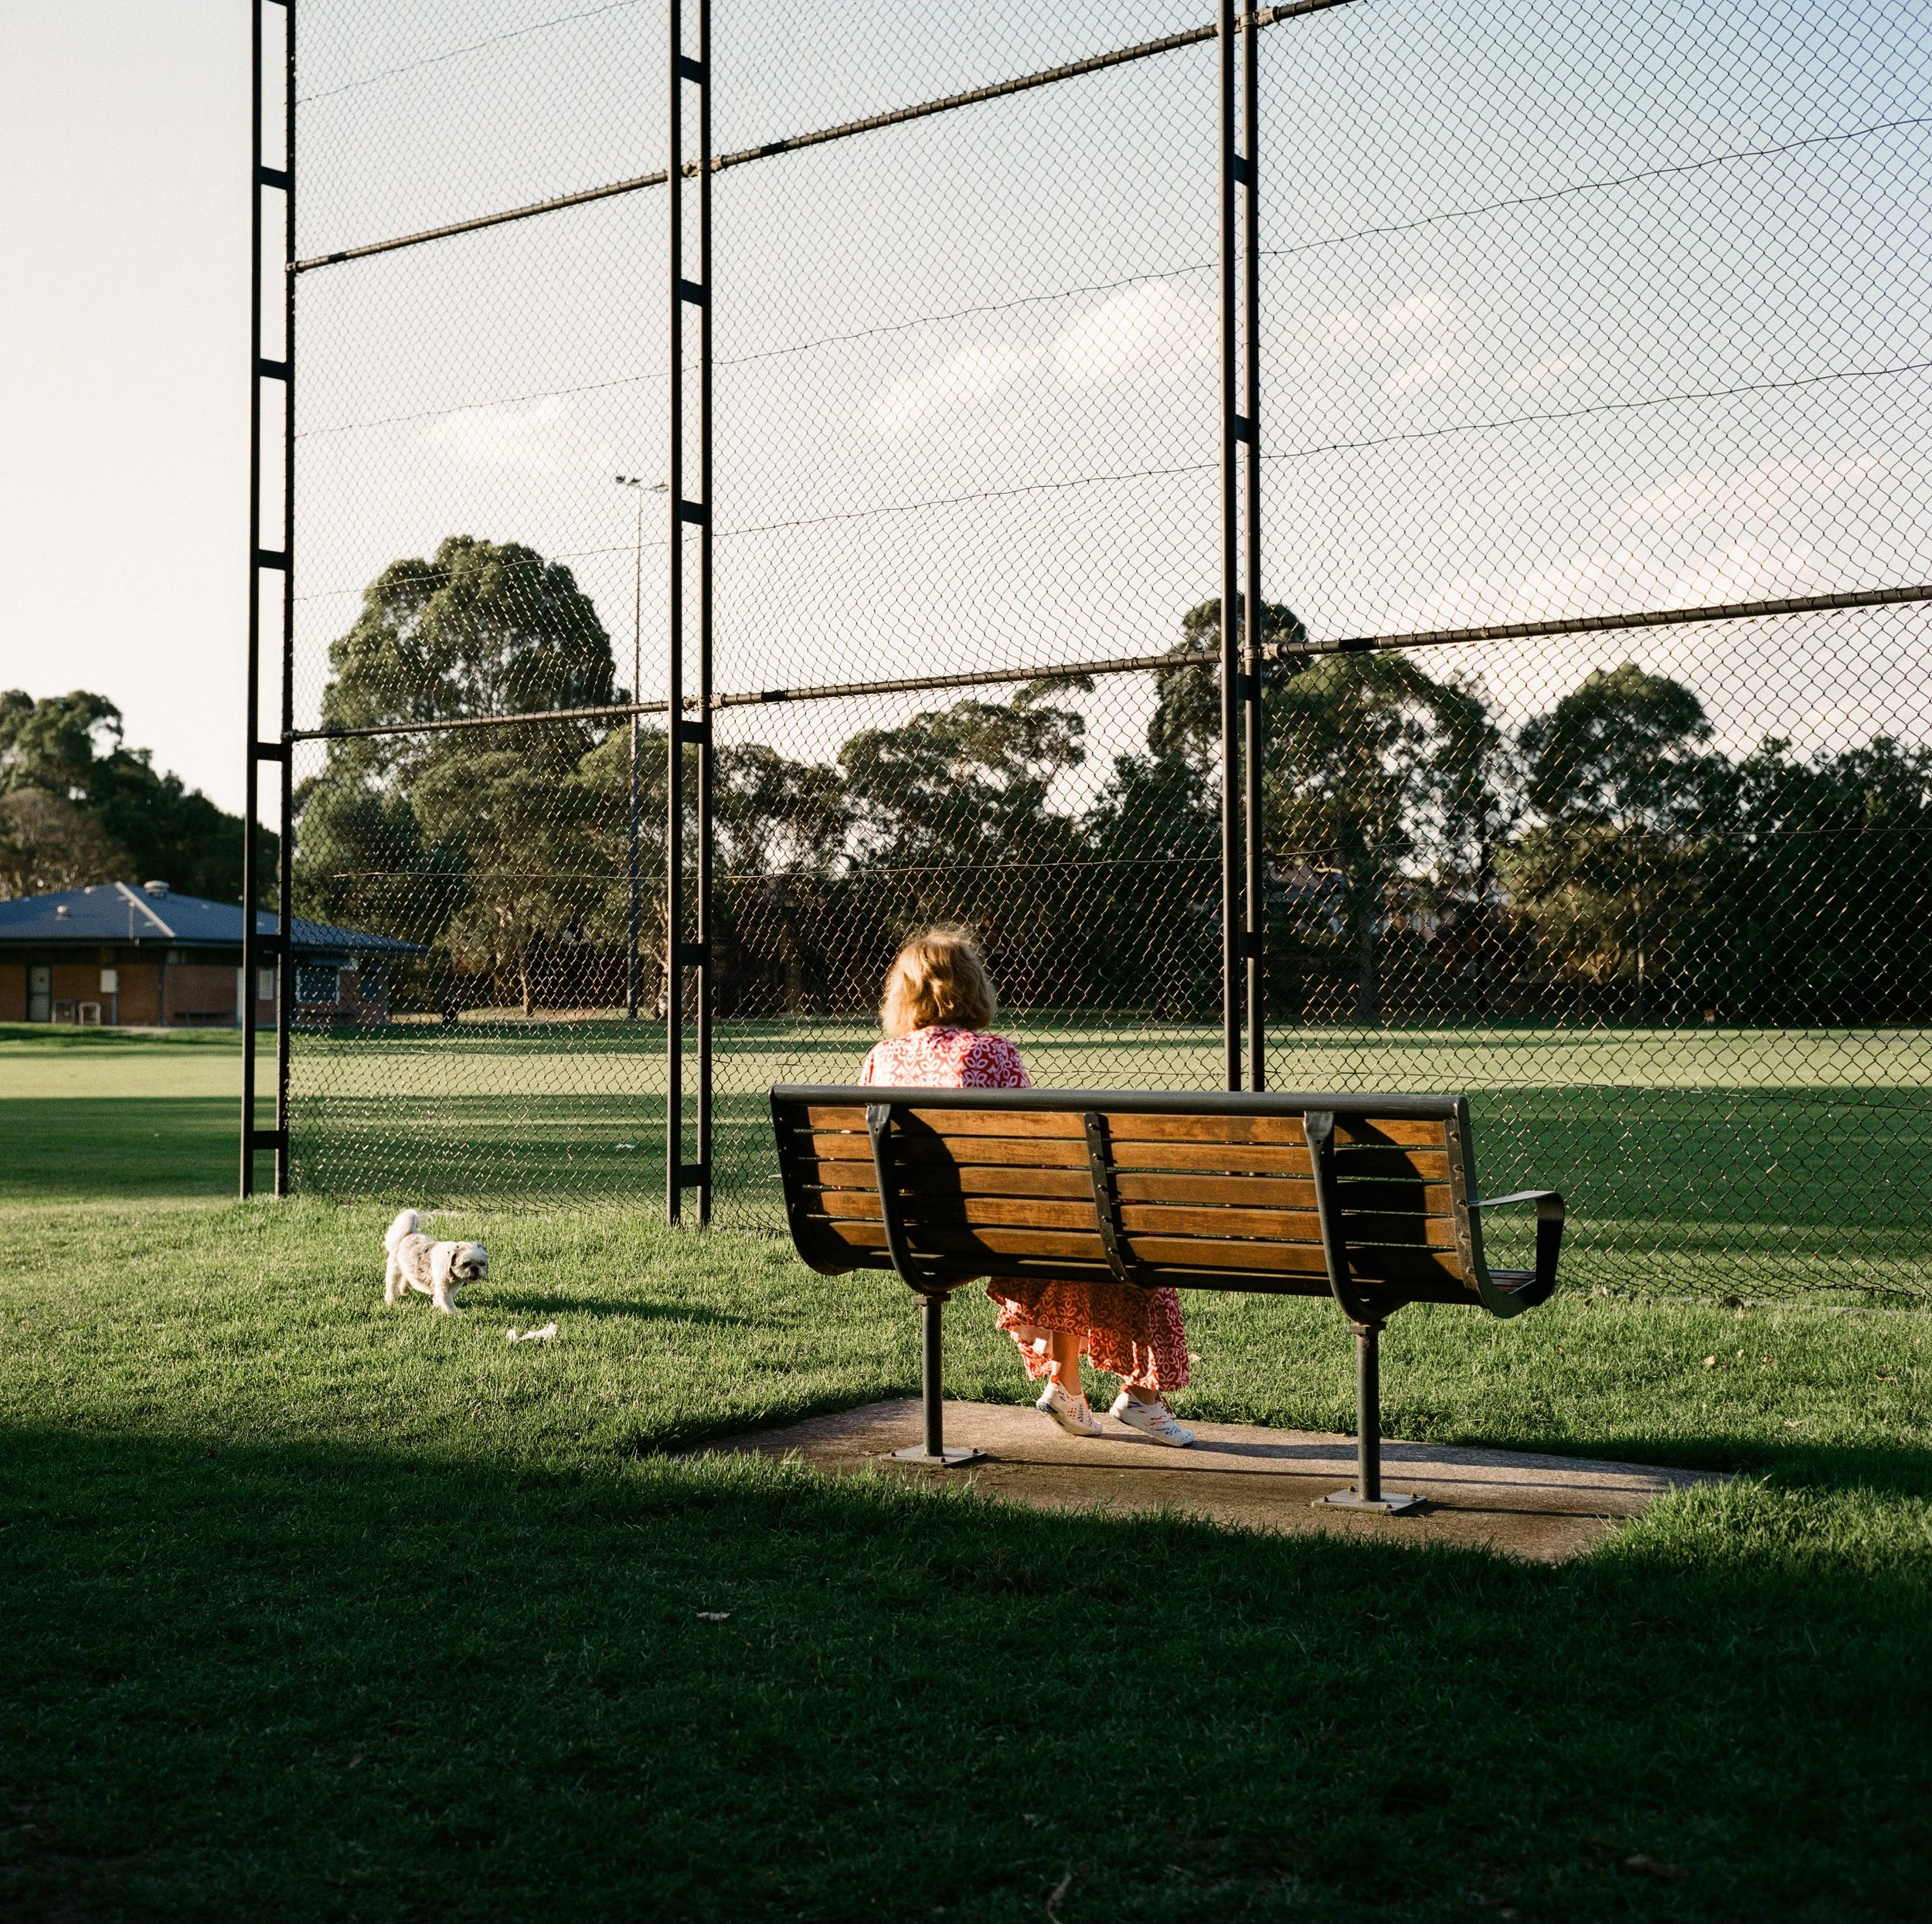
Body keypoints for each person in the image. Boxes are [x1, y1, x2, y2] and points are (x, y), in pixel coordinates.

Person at [859, 926, 1194, 1446]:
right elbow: (1039, 1150)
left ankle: (1070, 1390)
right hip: (992, 1230)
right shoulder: (989, 1053)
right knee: (1114, 1226)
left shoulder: (881, 1058)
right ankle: (1142, 1397)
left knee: (1079, 1232)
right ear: (972, 987)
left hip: (909, 1231)